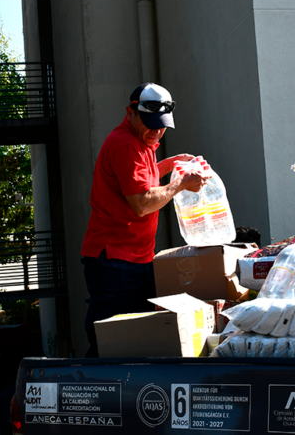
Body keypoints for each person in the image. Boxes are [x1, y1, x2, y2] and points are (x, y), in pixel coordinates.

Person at [80, 83, 207, 357]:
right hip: (115, 260)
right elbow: (142, 203)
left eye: (162, 125)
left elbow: (137, 181)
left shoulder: (140, 141)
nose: (157, 131)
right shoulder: (126, 144)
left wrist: (170, 164)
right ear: (131, 112)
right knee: (112, 345)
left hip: (132, 258)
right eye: (150, 123)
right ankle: (89, 396)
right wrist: (181, 184)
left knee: (132, 341)